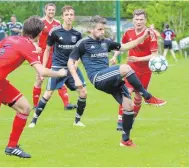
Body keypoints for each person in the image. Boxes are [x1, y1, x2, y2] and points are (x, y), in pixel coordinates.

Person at [0, 15, 67, 160]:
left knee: (25, 108)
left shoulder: (11, 39)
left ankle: (12, 146)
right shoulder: (28, 45)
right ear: (37, 33)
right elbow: (42, 71)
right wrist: (60, 72)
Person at [68, 15, 166, 147]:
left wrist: (142, 38)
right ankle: (147, 96)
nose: (103, 32)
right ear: (91, 29)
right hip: (98, 78)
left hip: (109, 78)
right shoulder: (83, 43)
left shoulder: (106, 42)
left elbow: (125, 46)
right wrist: (76, 79)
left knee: (129, 106)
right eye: (100, 29)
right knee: (126, 68)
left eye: (103, 29)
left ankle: (125, 140)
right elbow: (70, 61)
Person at [29, 5, 87, 128]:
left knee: (83, 92)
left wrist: (76, 64)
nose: (69, 17)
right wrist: (43, 68)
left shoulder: (77, 34)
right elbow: (47, 50)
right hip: (57, 67)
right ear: (63, 17)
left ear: (74, 16)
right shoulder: (55, 32)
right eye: (67, 15)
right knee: (48, 94)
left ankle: (77, 121)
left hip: (72, 68)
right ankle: (34, 120)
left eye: (71, 14)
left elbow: (80, 52)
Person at [112, 9, 165, 130]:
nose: (139, 22)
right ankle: (120, 120)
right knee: (126, 91)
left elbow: (154, 55)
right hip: (131, 68)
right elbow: (121, 46)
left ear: (145, 20)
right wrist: (115, 56)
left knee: (138, 96)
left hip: (146, 70)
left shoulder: (150, 34)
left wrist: (138, 59)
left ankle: (131, 119)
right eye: (136, 19)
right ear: (133, 20)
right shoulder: (128, 32)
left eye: (141, 19)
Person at [32, 3, 76, 111]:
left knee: (60, 77)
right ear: (45, 10)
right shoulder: (40, 23)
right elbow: (33, 39)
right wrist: (36, 46)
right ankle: (36, 105)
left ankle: (66, 104)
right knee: (39, 78)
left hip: (55, 54)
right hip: (42, 54)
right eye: (49, 10)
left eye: (53, 10)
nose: (51, 12)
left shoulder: (58, 23)